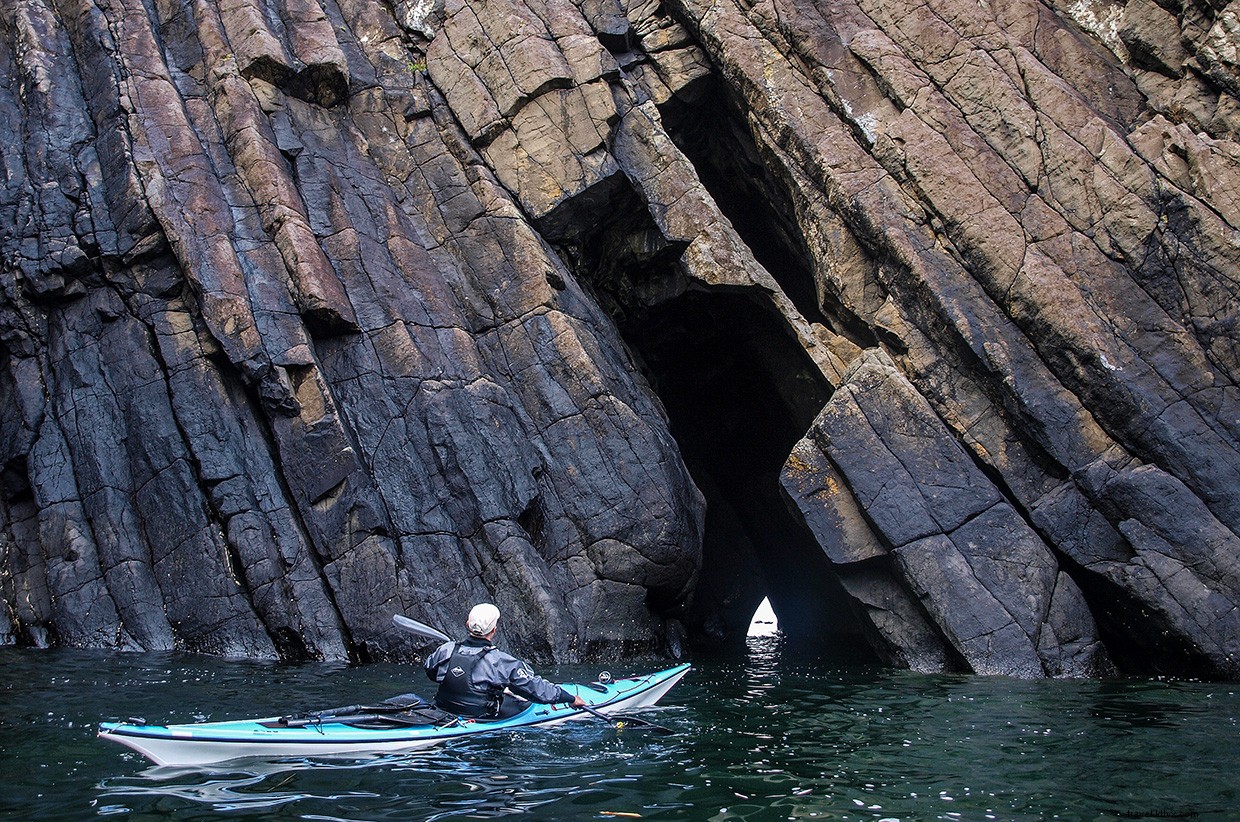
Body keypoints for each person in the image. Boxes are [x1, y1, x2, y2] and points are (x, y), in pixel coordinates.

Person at [424, 603, 586, 719]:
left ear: (467, 624)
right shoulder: (501, 661)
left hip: (444, 709)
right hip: (481, 716)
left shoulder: (446, 649)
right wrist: (570, 698)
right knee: (525, 702)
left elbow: (431, 672)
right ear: (494, 630)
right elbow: (535, 690)